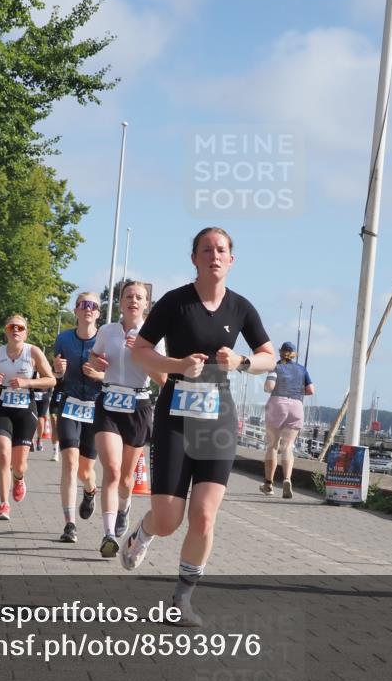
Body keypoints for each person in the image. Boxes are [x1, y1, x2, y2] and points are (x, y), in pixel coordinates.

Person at [123, 227, 274, 626]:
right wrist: (177, 366)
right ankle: (143, 532)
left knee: (205, 516)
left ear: (232, 259)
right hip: (176, 415)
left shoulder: (241, 307)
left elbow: (269, 357)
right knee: (169, 519)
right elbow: (141, 352)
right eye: (206, 249)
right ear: (194, 258)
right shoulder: (175, 302)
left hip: (218, 421)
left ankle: (181, 600)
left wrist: (241, 363)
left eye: (221, 250)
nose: (214, 255)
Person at [88, 280, 167, 558]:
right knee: (110, 469)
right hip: (109, 402)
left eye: (139, 297)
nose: (133, 300)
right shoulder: (107, 331)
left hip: (138, 404)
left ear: (147, 304)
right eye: (128, 296)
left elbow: (163, 379)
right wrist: (95, 362)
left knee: (125, 477)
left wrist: (143, 355)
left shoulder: (154, 336)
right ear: (119, 303)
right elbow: (94, 356)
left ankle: (124, 507)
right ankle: (108, 534)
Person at [0, 315, 56, 520]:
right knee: (4, 455)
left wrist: (26, 383)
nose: (16, 330)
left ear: (26, 332)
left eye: (20, 327)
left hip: (25, 410)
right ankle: (4, 504)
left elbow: (51, 380)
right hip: (3, 408)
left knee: (19, 464)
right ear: (6, 330)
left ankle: (19, 478)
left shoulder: (33, 352)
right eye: (12, 327)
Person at [53, 293, 104, 543]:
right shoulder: (63, 339)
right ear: (76, 310)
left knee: (86, 471)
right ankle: (69, 524)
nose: (88, 309)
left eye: (93, 305)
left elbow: (117, 375)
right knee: (70, 465)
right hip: (69, 405)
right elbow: (57, 376)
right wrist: (58, 372)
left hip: (95, 408)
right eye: (83, 304)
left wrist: (100, 375)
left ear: (98, 313)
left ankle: (91, 490)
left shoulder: (105, 340)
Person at [261, 341, 315, 498]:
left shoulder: (275, 367)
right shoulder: (302, 369)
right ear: (294, 354)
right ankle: (287, 479)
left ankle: (268, 485)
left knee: (272, 446)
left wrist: (268, 387)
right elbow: (311, 390)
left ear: (280, 352)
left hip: (278, 404)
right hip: (296, 406)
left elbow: (269, 387)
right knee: (288, 446)